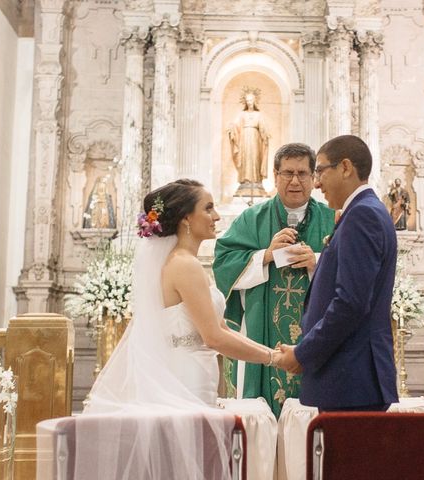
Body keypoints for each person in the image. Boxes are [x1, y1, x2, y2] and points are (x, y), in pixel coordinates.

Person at [58, 179, 282, 479]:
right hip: (185, 377)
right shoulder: (184, 265)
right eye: (209, 208)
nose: (216, 217)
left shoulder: (177, 261)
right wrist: (273, 358)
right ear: (186, 219)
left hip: (188, 370)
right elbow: (214, 336)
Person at [276, 135, 399, 412]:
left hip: (351, 380)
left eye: (319, 171)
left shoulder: (362, 215)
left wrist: (302, 354)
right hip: (351, 379)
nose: (316, 183)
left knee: (346, 456)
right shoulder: (365, 211)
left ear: (345, 167)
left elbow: (350, 303)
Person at [213, 143, 335, 417]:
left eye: (302, 173)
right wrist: (265, 256)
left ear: (314, 177)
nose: (295, 181)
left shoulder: (332, 219)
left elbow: (350, 272)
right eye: (287, 173)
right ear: (275, 176)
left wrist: (317, 261)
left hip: (315, 332)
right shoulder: (252, 219)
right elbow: (222, 263)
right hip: (260, 331)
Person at [227, 89, 270, 195]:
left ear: (255, 101)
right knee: (245, 158)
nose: (249, 102)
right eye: (247, 100)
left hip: (255, 139)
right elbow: (236, 125)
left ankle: (256, 180)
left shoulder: (259, 114)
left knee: (255, 158)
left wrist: (265, 135)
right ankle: (245, 180)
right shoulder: (242, 114)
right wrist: (232, 128)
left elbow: (263, 128)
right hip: (244, 138)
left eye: (251, 100)